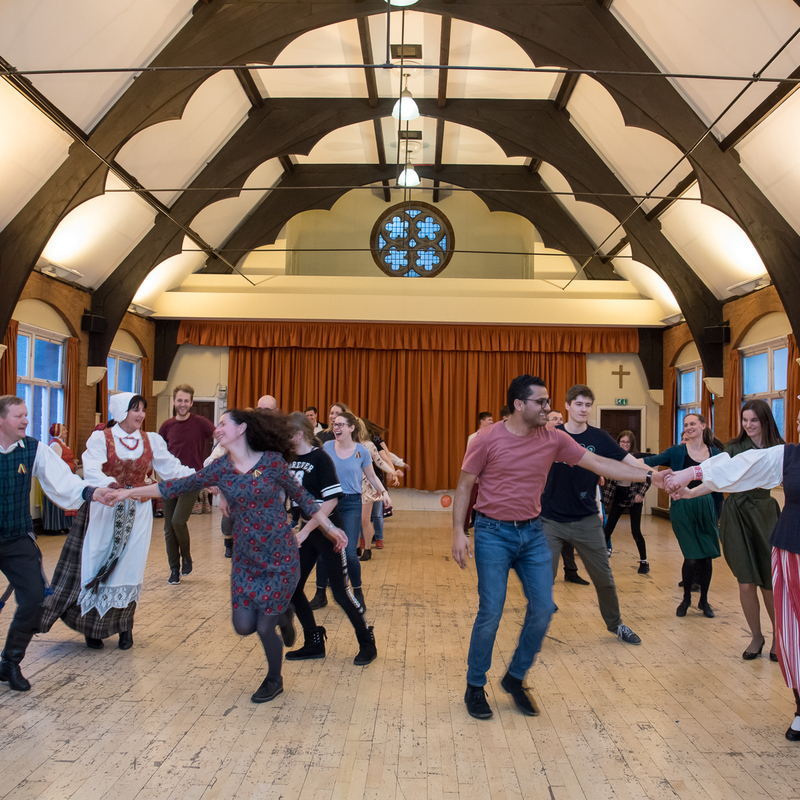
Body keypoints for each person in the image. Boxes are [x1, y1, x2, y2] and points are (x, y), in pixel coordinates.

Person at [452, 376, 665, 720]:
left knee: (543, 609)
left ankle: (515, 677)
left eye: (548, 401)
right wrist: (458, 532)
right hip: (493, 532)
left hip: (533, 531)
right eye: (541, 402)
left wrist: (651, 476)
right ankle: (475, 685)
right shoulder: (487, 439)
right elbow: (464, 485)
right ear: (519, 405)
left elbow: (600, 464)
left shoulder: (553, 438)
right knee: (491, 611)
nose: (548, 407)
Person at [116, 409, 345, 702]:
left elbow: (304, 498)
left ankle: (274, 679)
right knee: (243, 626)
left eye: (224, 423)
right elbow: (175, 486)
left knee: (263, 627)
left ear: (242, 428)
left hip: (280, 557)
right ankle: (284, 614)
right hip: (246, 560)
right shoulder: (220, 468)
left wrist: (330, 528)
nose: (218, 428)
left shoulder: (272, 461)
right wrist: (129, 492)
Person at [664, 410, 800, 742]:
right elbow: (741, 466)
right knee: (794, 631)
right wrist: (691, 474)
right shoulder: (789, 455)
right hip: (792, 547)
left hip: (774, 527)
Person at [40, 392, 196, 652]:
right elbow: (91, 470)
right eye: (135, 409)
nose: (141, 415)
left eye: (143, 410)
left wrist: (200, 477)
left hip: (138, 511)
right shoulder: (101, 438)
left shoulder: (151, 440)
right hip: (105, 508)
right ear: (122, 411)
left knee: (129, 567)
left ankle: (125, 627)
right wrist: (109, 486)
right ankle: (92, 628)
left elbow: (173, 469)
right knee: (97, 562)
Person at [0, 396, 116, 691]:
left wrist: (92, 492)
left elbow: (63, 480)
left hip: (17, 538)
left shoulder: (33, 449)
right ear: (1, 420)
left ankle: (10, 663)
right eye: (18, 416)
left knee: (36, 599)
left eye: (26, 414)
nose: (26, 420)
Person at [540, 386, 643, 646]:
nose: (583, 409)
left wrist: (655, 474)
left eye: (587, 405)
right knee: (542, 578)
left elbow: (627, 460)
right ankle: (535, 628)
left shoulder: (599, 437)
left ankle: (616, 625)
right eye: (578, 404)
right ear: (567, 405)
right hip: (550, 519)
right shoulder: (551, 434)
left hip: (586, 519)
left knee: (604, 578)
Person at [284, 412, 377, 664]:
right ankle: (313, 640)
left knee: (340, 592)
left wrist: (306, 530)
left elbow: (331, 500)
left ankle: (367, 641)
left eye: (287, 434)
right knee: (293, 587)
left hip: (328, 533)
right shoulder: (289, 459)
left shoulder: (320, 458)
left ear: (299, 434)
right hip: (305, 531)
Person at [706, 400, 782, 659]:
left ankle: (779, 638)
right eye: (745, 420)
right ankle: (756, 636)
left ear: (765, 421)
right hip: (736, 513)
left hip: (765, 515)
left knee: (769, 582)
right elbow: (715, 478)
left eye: (754, 420)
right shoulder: (733, 448)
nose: (748, 425)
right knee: (746, 581)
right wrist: (689, 490)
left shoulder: (779, 449)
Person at [644, 412, 722, 618]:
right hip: (683, 507)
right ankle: (686, 598)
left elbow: (719, 485)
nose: (689, 427)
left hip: (707, 506)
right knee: (692, 556)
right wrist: (622, 458)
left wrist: (717, 514)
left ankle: (704, 600)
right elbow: (651, 460)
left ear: (704, 425)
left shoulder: (715, 453)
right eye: (686, 424)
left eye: (693, 423)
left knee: (706, 557)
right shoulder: (677, 451)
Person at [323, 412, 391, 611]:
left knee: (350, 552)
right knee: (329, 549)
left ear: (351, 428)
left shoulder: (361, 451)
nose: (336, 428)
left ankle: (358, 590)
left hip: (352, 502)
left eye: (341, 424)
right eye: (335, 424)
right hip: (330, 502)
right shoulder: (327, 447)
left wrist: (384, 493)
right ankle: (328, 589)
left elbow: (372, 476)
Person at [158, 384, 215, 584]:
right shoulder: (166, 426)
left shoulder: (201, 423)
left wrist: (213, 465)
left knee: (178, 522)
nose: (182, 404)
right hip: (169, 481)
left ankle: (186, 556)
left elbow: (220, 437)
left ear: (191, 403)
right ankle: (174, 569)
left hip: (191, 479)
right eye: (179, 400)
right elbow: (159, 452)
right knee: (168, 528)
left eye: (186, 401)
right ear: (174, 402)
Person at [546, 409, 589, 586]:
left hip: (566, 497)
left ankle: (571, 572)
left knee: (568, 538)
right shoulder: (540, 441)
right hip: (544, 498)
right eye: (554, 418)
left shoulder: (567, 442)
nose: (559, 421)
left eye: (560, 419)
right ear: (546, 422)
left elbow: (581, 462)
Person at [602, 430, 651, 574]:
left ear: (632, 444)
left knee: (636, 531)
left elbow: (648, 477)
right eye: (622, 442)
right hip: (619, 493)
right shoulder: (614, 457)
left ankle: (644, 561)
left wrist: (641, 494)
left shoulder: (637, 459)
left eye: (627, 442)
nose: (624, 444)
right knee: (608, 528)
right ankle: (599, 558)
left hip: (634, 494)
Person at [41, 422, 78, 534]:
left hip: (66, 476)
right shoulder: (55, 445)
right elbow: (55, 462)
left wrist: (72, 462)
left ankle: (63, 525)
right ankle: (53, 526)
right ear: (58, 432)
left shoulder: (61, 444)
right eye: (64, 430)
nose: (66, 431)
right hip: (58, 478)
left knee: (64, 502)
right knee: (57, 502)